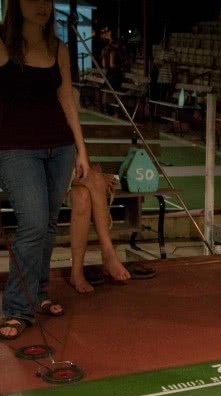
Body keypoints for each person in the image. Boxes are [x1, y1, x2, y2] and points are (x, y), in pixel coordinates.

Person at [0, 0, 91, 340]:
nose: (42, 5)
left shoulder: (58, 47)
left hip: (60, 147)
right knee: (33, 224)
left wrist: (81, 149)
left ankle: (38, 294)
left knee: (49, 224)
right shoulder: (3, 44)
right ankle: (16, 308)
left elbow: (66, 97)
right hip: (16, 149)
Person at [67, 164, 132, 294]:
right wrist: (96, 176)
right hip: (46, 171)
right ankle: (108, 252)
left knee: (82, 196)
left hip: (69, 173)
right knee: (96, 179)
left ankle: (76, 273)